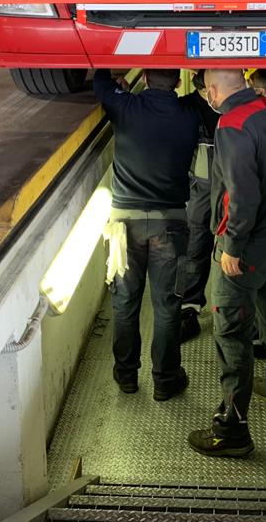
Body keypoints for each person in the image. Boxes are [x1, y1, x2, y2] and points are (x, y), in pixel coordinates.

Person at [188, 69, 266, 458]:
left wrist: (231, 247)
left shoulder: (231, 125)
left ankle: (232, 430)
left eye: (207, 91)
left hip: (245, 250)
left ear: (213, 90)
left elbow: (241, 194)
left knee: (231, 333)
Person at [93, 69, 200, 401]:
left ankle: (126, 376)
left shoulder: (125, 106)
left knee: (125, 302)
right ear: (178, 82)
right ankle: (165, 380)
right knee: (167, 306)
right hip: (171, 222)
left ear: (146, 78)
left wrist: (120, 85)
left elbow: (99, 80)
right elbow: (207, 84)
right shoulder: (191, 111)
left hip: (125, 223)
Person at [177, 70, 219, 343]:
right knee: (194, 249)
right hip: (199, 192)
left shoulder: (234, 103)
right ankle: (188, 308)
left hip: (230, 189)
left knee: (234, 250)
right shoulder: (186, 107)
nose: (211, 97)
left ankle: (236, 313)